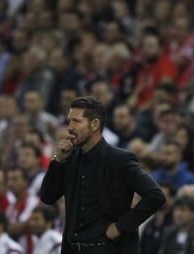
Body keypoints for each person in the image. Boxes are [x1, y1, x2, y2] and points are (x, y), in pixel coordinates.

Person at [40, 96, 166, 253]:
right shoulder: (68, 158)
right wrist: (57, 161)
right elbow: (47, 197)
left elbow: (155, 195)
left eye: (76, 121)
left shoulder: (119, 159)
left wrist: (121, 226)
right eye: (69, 121)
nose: (70, 127)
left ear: (95, 125)